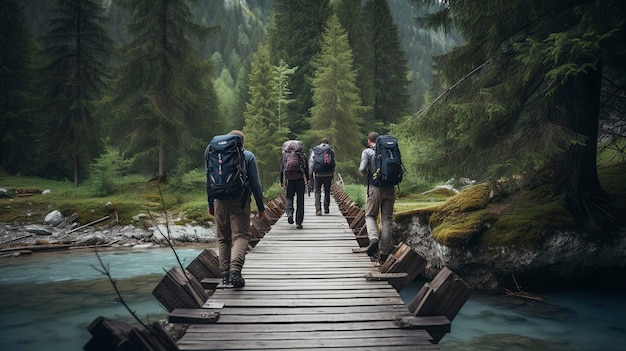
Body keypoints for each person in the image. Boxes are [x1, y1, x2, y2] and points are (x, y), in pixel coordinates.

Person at [207, 130, 265, 288]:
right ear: (241, 143)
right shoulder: (248, 156)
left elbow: (208, 178)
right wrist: (261, 206)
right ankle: (235, 270)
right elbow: (255, 184)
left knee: (223, 238)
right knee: (241, 236)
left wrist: (210, 203)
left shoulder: (212, 152)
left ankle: (225, 274)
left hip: (218, 200)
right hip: (240, 201)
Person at [359, 131, 395, 263]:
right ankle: (384, 251)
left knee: (370, 215)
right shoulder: (389, 151)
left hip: (375, 188)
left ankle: (373, 239)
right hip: (390, 188)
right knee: (387, 219)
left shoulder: (367, 152)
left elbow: (362, 170)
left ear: (369, 141)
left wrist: (365, 171)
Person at [280, 140, 310, 229]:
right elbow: (306, 168)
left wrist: (281, 181)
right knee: (300, 200)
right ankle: (299, 222)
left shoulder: (286, 155)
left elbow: (282, 169)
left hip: (290, 180)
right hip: (300, 180)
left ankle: (289, 213)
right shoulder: (301, 155)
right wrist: (308, 179)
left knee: (289, 197)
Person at [310, 138, 335, 216]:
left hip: (318, 174)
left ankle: (318, 209)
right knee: (327, 191)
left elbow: (311, 162)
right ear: (328, 143)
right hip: (328, 174)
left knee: (317, 191)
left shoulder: (316, 150)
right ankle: (326, 208)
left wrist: (310, 174)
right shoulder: (330, 150)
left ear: (321, 143)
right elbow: (333, 161)